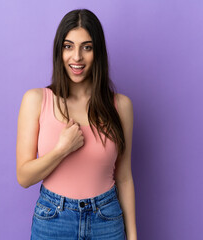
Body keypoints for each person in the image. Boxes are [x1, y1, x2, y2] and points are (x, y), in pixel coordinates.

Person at [16, 9, 137, 240]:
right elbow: (24, 177)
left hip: (107, 219)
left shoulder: (121, 107)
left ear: (97, 52)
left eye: (87, 47)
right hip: (53, 220)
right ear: (59, 50)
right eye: (68, 46)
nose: (77, 57)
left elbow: (124, 177)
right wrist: (62, 150)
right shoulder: (36, 100)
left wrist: (132, 237)